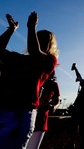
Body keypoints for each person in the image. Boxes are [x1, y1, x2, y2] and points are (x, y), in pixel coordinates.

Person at [0, 12, 59, 149]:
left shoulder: (50, 61)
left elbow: (35, 53)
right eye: (39, 38)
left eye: (44, 39)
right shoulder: (19, 59)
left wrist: (31, 27)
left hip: (21, 113)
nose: (40, 41)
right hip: (5, 110)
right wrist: (10, 30)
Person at [26, 70, 60, 149]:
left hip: (41, 119)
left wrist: (52, 106)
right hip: (27, 116)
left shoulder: (53, 84)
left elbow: (57, 101)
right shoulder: (34, 80)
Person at [64, 63, 84, 149]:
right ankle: (74, 143)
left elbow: (79, 76)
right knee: (78, 127)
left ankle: (73, 142)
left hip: (80, 109)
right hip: (83, 109)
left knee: (76, 127)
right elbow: (79, 76)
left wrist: (75, 68)